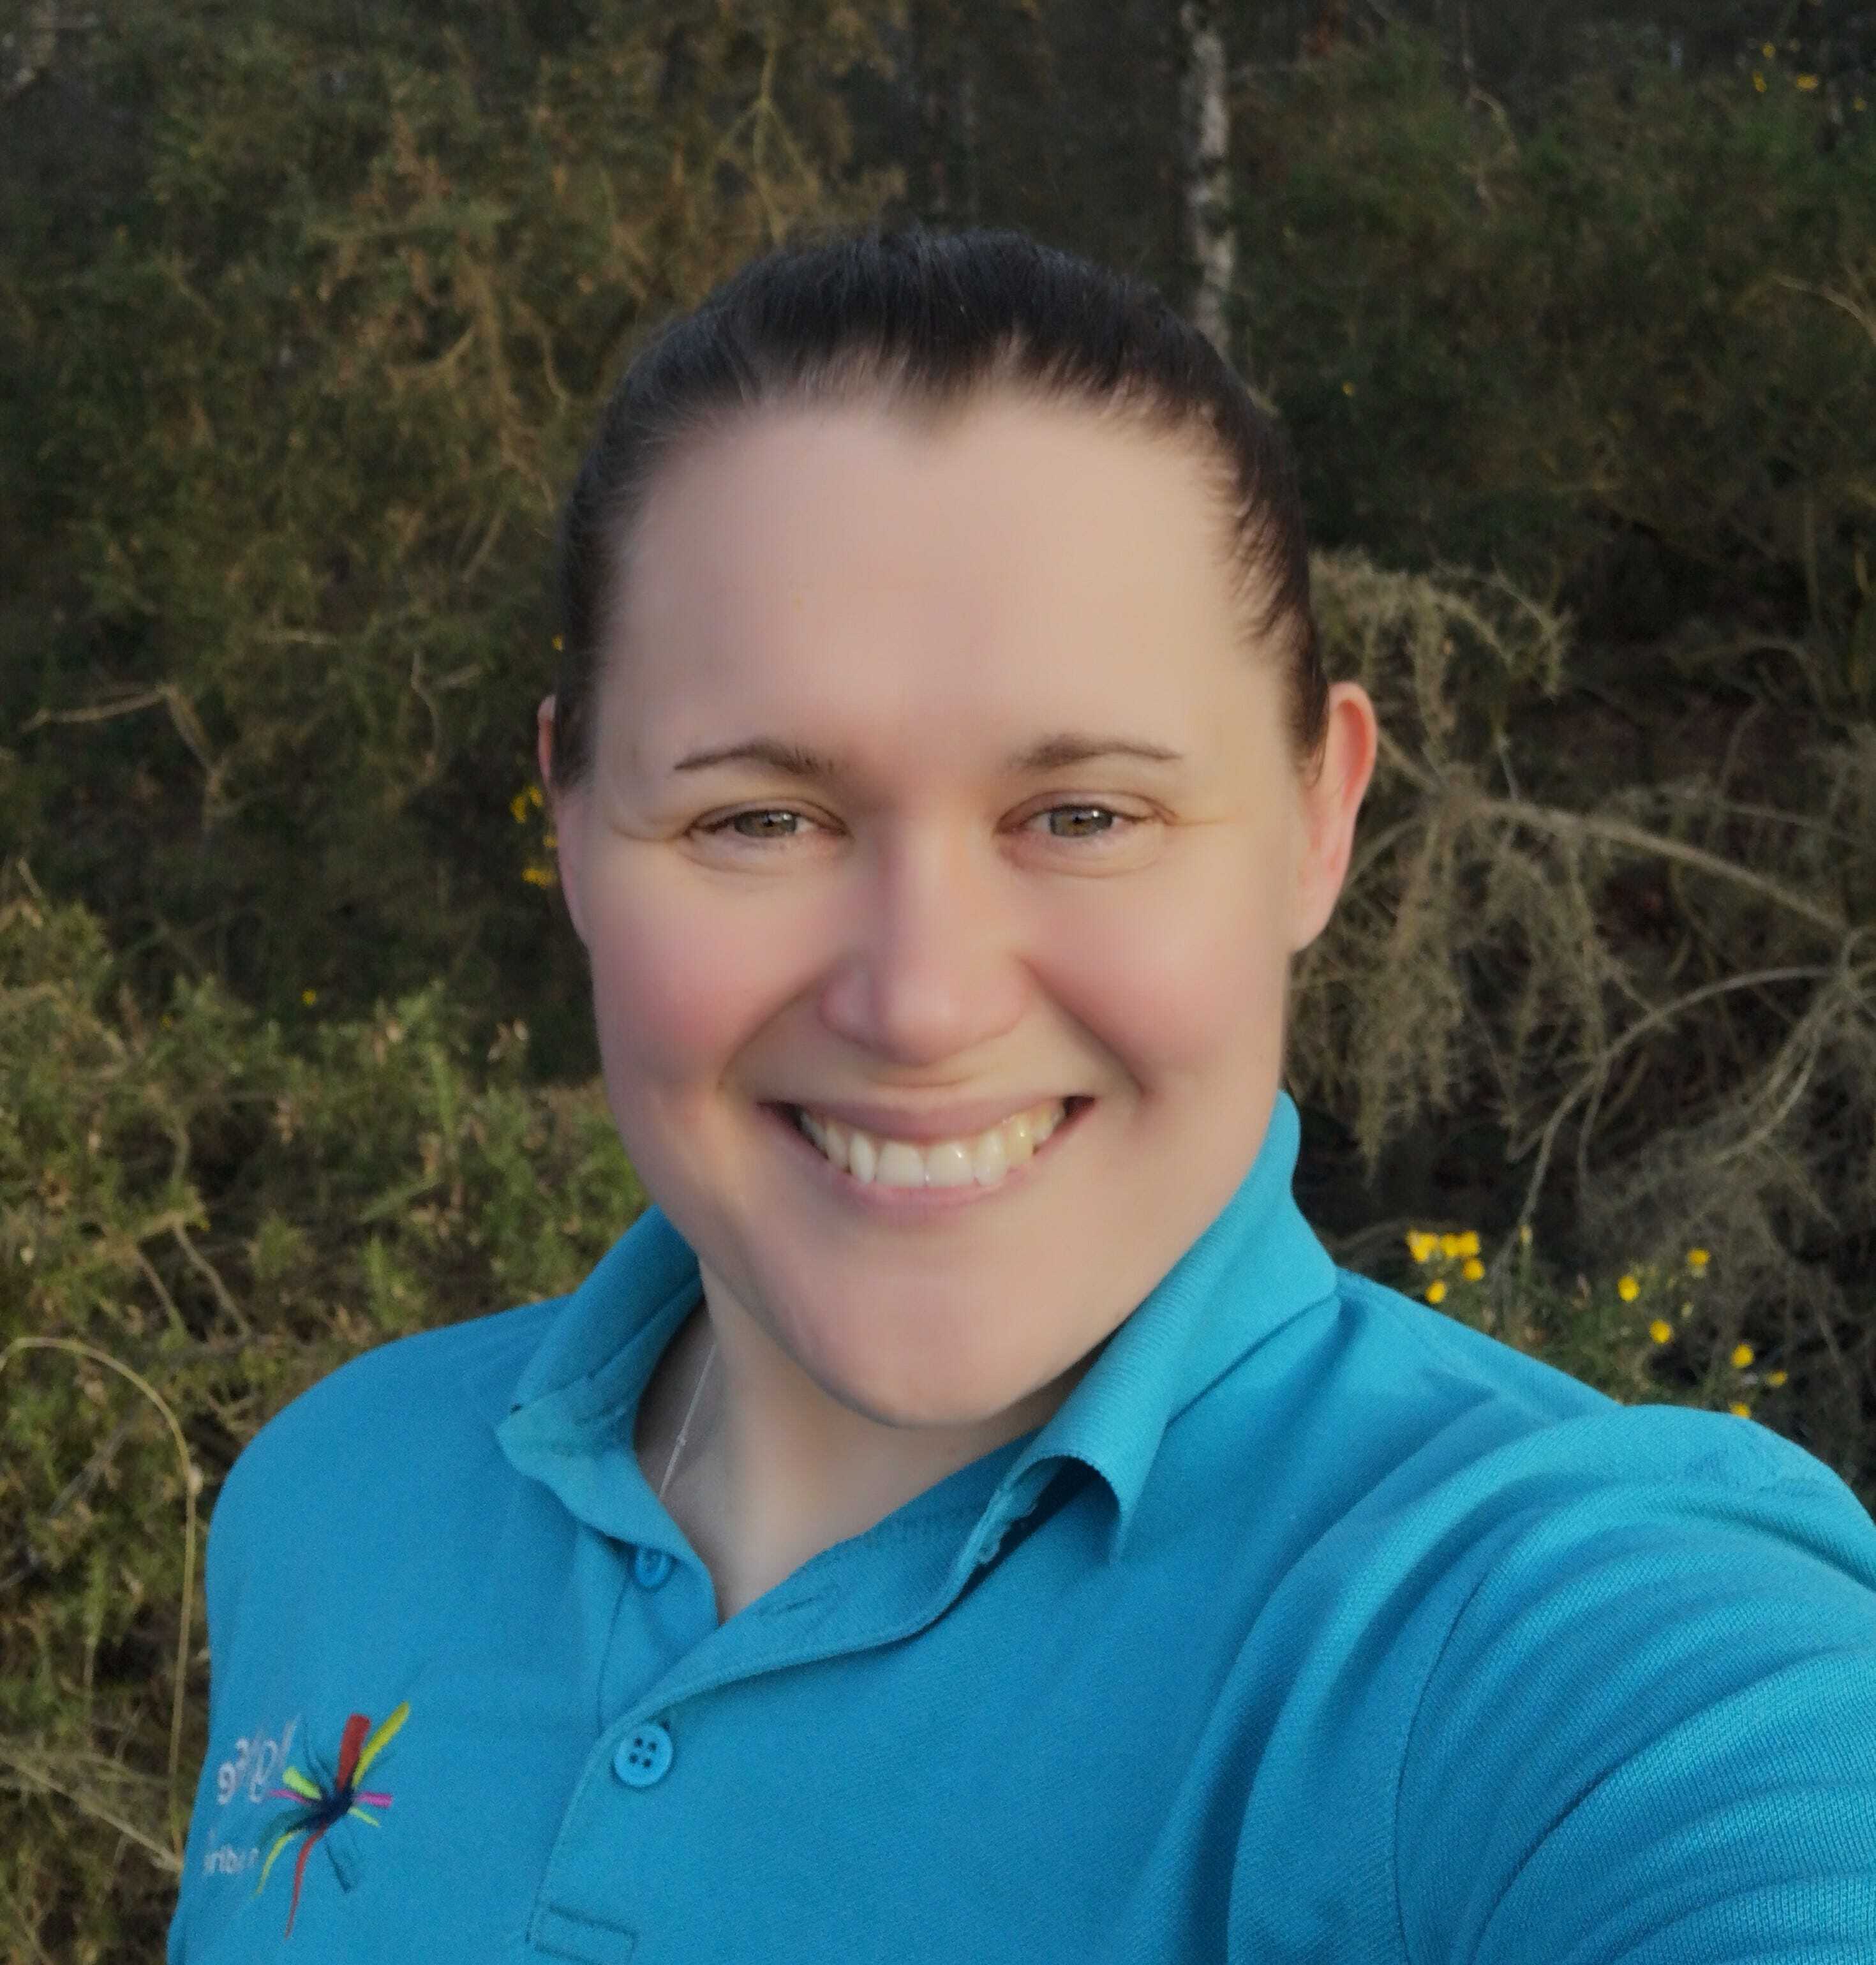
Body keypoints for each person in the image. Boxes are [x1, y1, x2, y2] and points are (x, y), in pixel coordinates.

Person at [166, 222, 1876, 1964]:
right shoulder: (333, 1493)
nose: (920, 1002)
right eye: (758, 819)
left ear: (1316, 820)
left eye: (1085, 818)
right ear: (574, 829)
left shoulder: (1549, 1638)